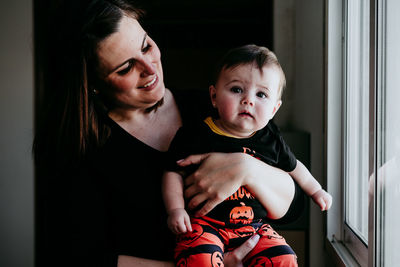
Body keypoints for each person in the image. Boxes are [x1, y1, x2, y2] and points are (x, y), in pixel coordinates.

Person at [34, 1, 304, 267]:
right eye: (126, 68)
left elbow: (293, 209)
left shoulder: (219, 107)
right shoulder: (82, 151)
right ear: (92, 84)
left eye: (146, 46)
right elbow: (78, 256)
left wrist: (248, 168)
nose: (150, 69)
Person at [163, 44, 332, 266]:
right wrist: (175, 209)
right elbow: (173, 171)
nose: (248, 100)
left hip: (254, 227)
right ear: (213, 96)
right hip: (205, 224)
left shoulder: (270, 137)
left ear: (274, 109)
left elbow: (294, 166)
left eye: (261, 94)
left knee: (283, 258)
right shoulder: (196, 133)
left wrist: (316, 189)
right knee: (200, 258)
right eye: (236, 89)